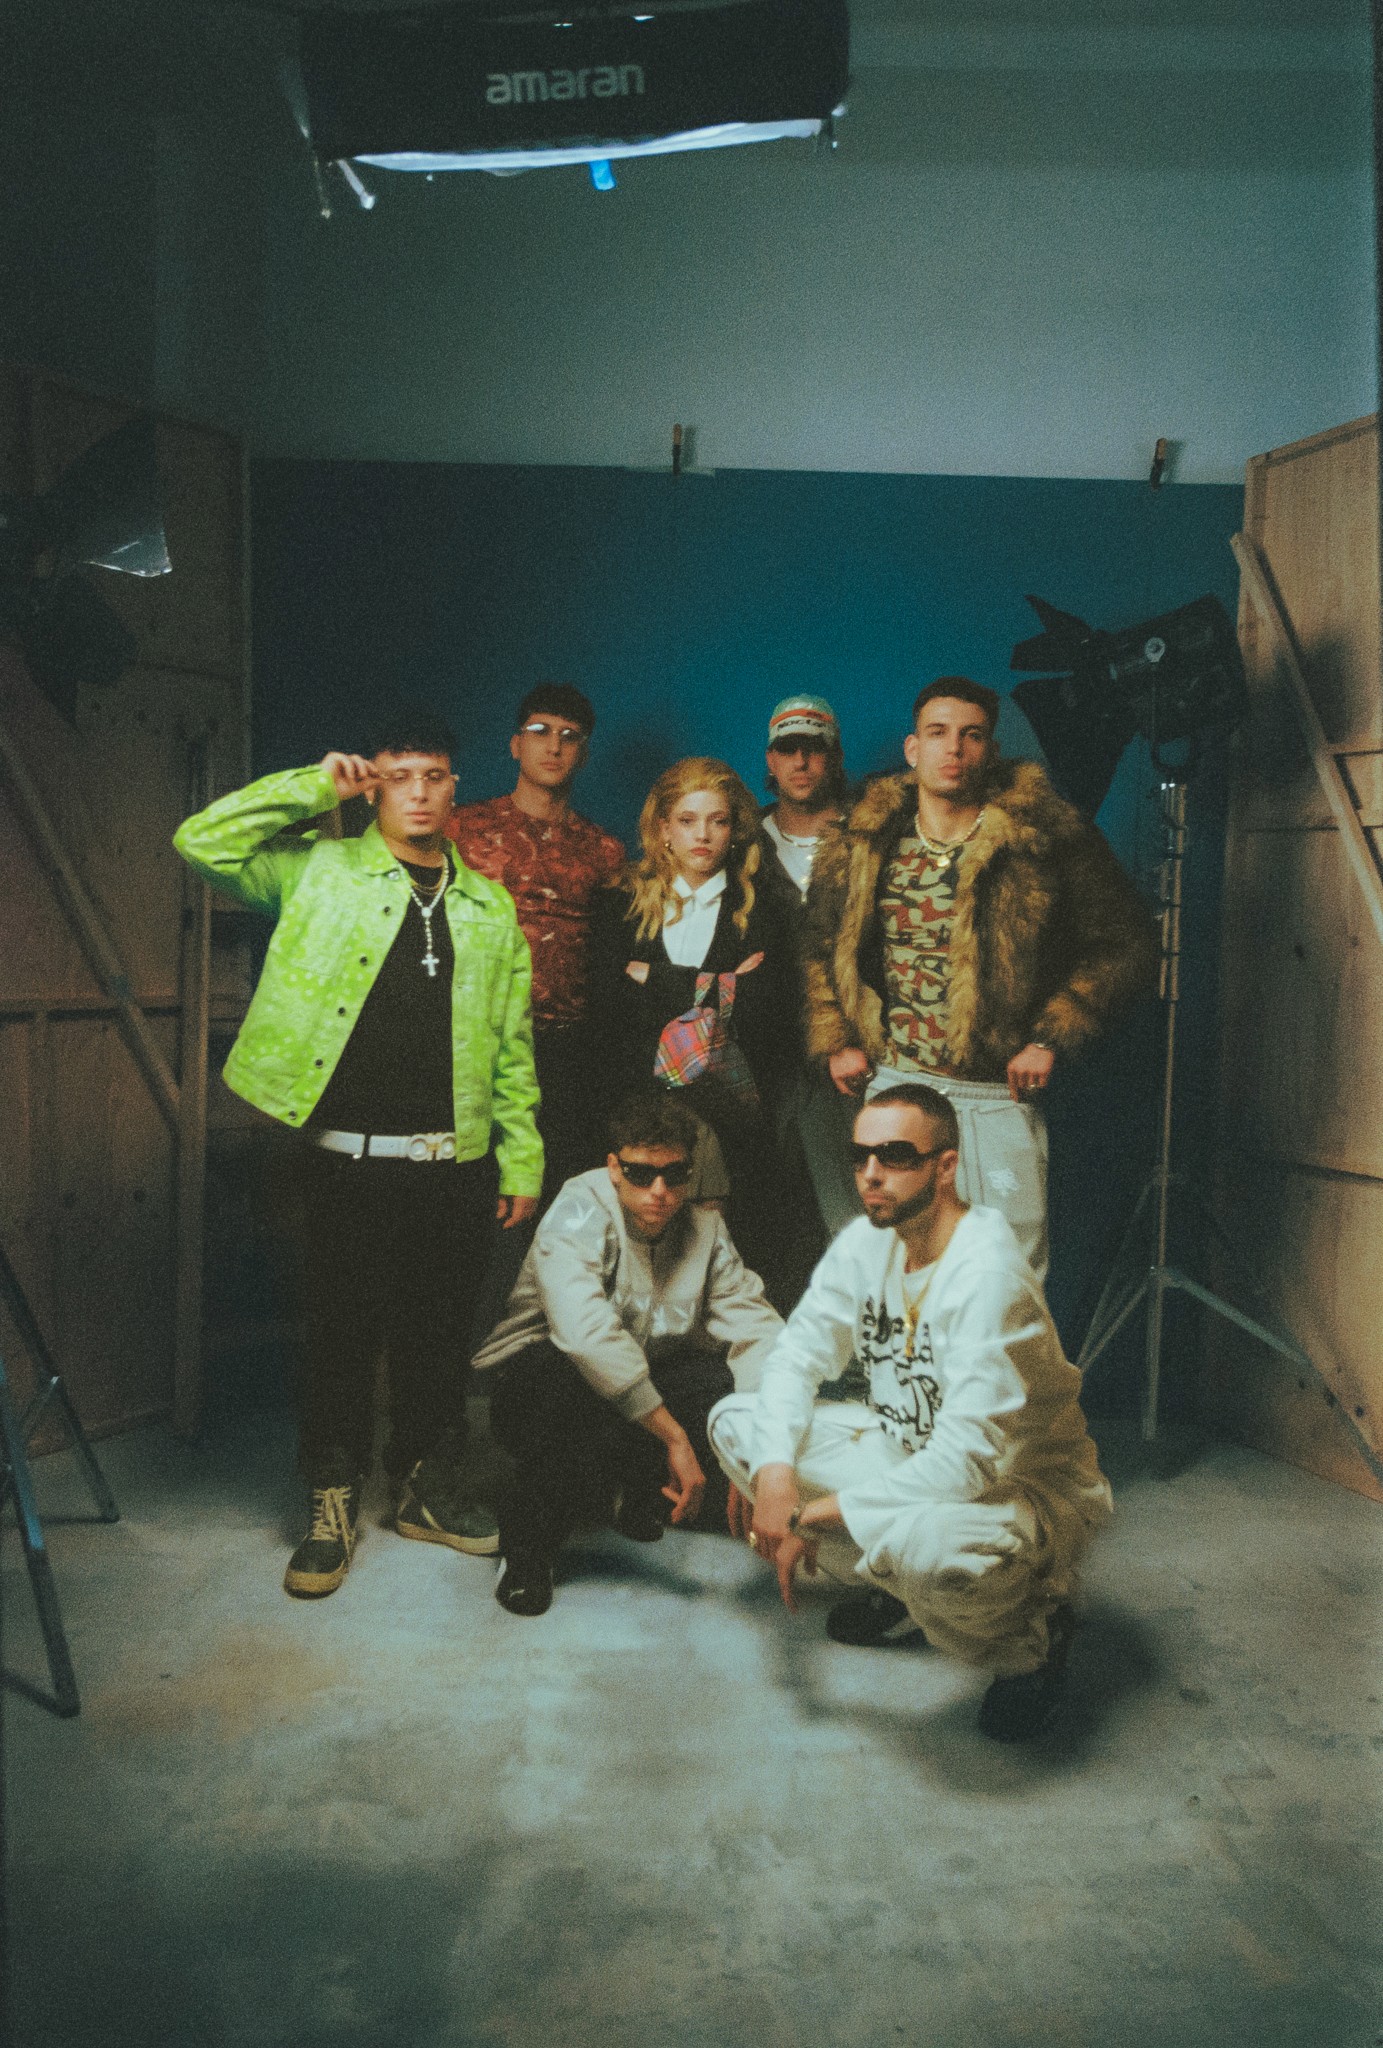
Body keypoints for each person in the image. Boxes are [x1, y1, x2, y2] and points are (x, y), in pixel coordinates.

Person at [173, 710, 542, 1598]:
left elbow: (512, 1047)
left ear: (454, 788)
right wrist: (312, 787)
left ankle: (424, 1488)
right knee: (340, 1338)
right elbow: (200, 842)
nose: (418, 793)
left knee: (436, 1340)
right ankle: (330, 1502)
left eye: (433, 776)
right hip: (345, 1160)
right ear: (374, 785)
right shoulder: (321, 870)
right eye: (398, 776)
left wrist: (521, 1160)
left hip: (455, 1163)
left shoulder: (488, 905)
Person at [708, 1084, 1113, 1741]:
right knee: (737, 1423)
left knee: (927, 1551)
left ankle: (1034, 1637)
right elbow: (796, 1357)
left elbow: (967, 1462)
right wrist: (776, 1475)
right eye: (860, 1156)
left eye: (895, 1156)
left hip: (1020, 1487)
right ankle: (900, 1593)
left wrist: (811, 1515)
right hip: (907, 1450)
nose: (871, 1174)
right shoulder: (867, 1242)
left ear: (945, 1166)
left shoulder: (986, 1274)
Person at [802, 676, 1156, 1278]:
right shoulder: (864, 838)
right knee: (896, 1270)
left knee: (1007, 1274)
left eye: (971, 735)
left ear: (991, 750)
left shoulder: (1042, 835)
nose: (954, 749)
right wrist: (836, 1039)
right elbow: (817, 946)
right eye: (938, 733)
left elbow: (1126, 944)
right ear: (913, 748)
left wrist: (1050, 1037)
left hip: (996, 1094)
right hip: (896, 1081)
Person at [475, 1090, 784, 1617]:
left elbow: (759, 1329)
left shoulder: (705, 1228)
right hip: (540, 1382)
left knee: (723, 1387)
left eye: (675, 1174)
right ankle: (528, 1551)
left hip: (638, 1386)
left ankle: (631, 1487)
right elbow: (585, 1334)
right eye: (641, 1174)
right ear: (614, 1168)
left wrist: (760, 1454)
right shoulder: (579, 1206)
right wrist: (675, 1438)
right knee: (563, 1378)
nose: (659, 1192)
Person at [599, 756, 799, 1300]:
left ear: (735, 830)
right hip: (635, 1104)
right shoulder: (621, 900)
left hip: (726, 1113)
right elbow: (611, 1006)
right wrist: (721, 988)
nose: (703, 835)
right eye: (687, 820)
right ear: (663, 828)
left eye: (718, 820)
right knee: (633, 1259)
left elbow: (765, 1010)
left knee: (716, 1261)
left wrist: (654, 979)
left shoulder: (763, 906)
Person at [448, 683, 625, 1200]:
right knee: (473, 1186)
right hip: (477, 1036)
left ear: (583, 754)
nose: (554, 746)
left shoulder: (605, 850)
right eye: (540, 731)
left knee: (558, 1189)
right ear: (515, 744)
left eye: (570, 737)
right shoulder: (464, 830)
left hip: (565, 1050)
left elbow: (609, 952)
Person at [759, 692, 859, 1251]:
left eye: (814, 749)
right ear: (770, 760)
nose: (801, 762)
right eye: (788, 748)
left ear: (835, 757)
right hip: (765, 1055)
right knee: (771, 1214)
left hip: (852, 1051)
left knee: (858, 1210)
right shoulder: (741, 840)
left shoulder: (870, 836)